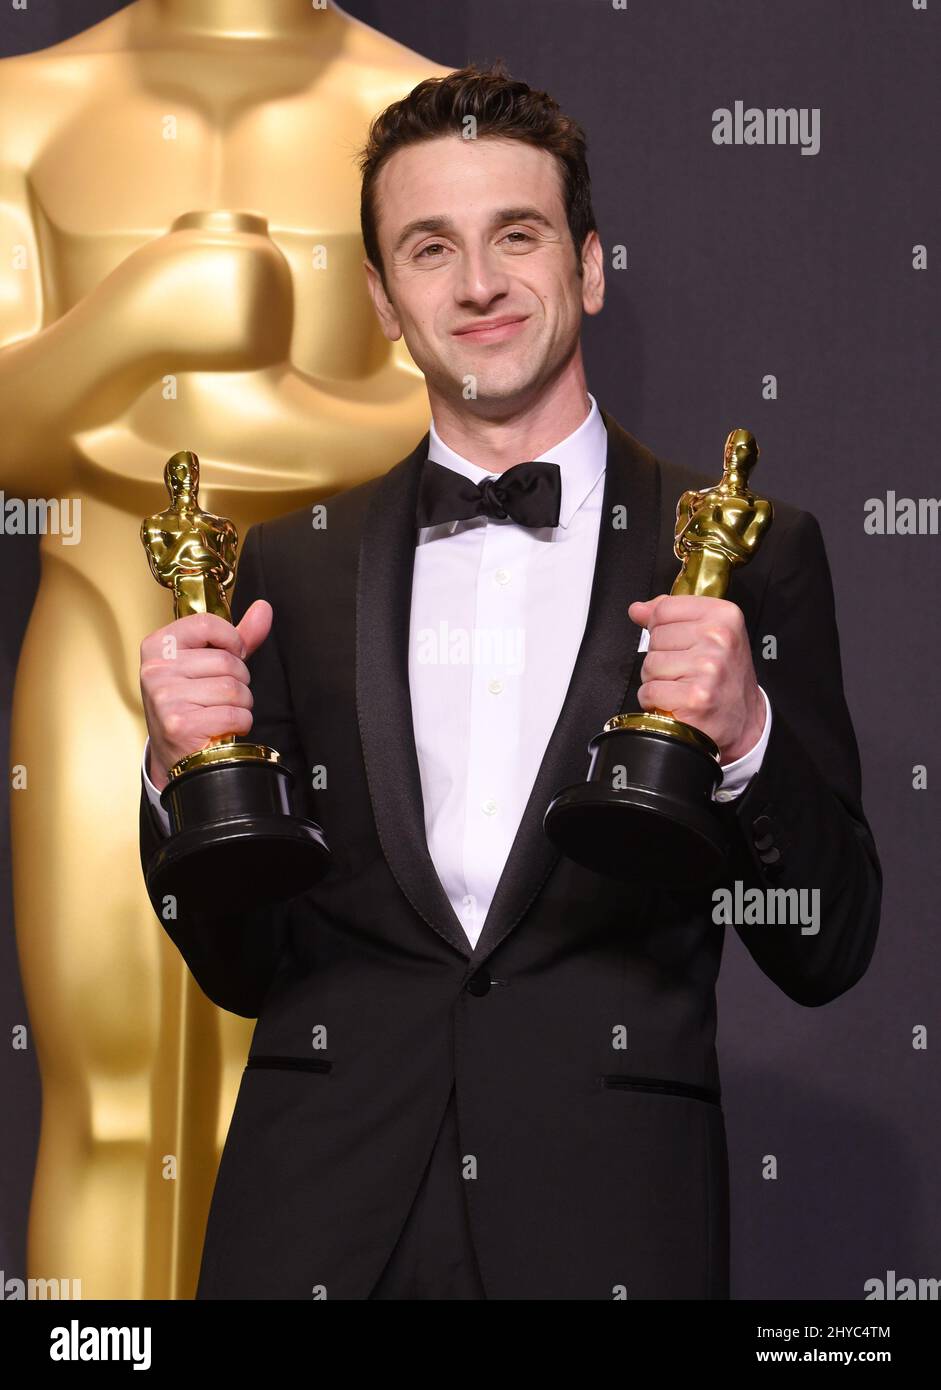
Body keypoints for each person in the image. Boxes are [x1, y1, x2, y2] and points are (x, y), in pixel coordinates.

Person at [138, 62, 881, 1300]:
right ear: (382, 300)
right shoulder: (285, 567)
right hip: (313, 1222)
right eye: (429, 249)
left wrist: (745, 733)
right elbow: (239, 964)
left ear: (588, 266)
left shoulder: (753, 549)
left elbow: (830, 941)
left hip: (608, 1227)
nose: (475, 283)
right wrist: (175, 784)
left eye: (514, 235)